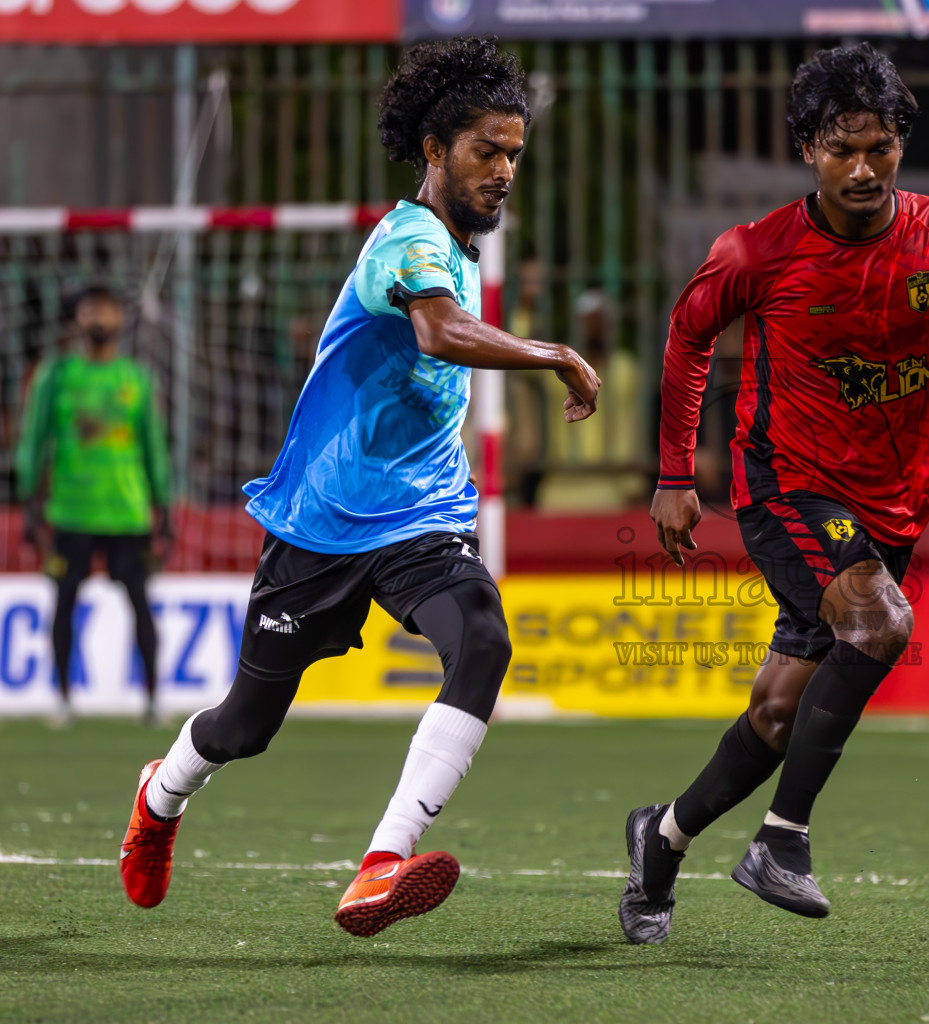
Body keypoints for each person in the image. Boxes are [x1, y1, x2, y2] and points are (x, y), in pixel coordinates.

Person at [116, 39, 602, 938]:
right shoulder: (407, 238)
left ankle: (382, 862)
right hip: (323, 520)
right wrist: (553, 353)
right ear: (434, 150)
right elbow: (439, 334)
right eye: (485, 151)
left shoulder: (462, 246)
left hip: (423, 517)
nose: (503, 171)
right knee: (245, 726)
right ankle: (163, 792)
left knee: (485, 641)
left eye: (513, 155)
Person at [621, 43, 929, 943]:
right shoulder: (757, 251)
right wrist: (672, 475)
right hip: (786, 487)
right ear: (808, 148)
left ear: (900, 146)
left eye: (880, 148)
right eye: (841, 148)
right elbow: (689, 336)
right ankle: (783, 841)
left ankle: (660, 840)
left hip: (890, 507)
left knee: (779, 709)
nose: (862, 168)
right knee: (883, 625)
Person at [15, 287, 172, 728]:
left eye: (105, 308)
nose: (97, 317)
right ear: (76, 322)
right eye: (89, 311)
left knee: (140, 604)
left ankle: (154, 699)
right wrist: (30, 502)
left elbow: (153, 447)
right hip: (70, 512)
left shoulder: (136, 378)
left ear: (120, 319)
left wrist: (166, 508)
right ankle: (63, 698)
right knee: (64, 603)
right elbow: (34, 442)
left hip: (127, 512)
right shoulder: (57, 376)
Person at [532, 287, 648, 511]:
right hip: (562, 487)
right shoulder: (557, 371)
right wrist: (526, 309)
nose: (594, 326)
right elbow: (519, 368)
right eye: (588, 319)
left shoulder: (625, 370)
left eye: (600, 319)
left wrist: (633, 484)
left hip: (613, 488)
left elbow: (633, 426)